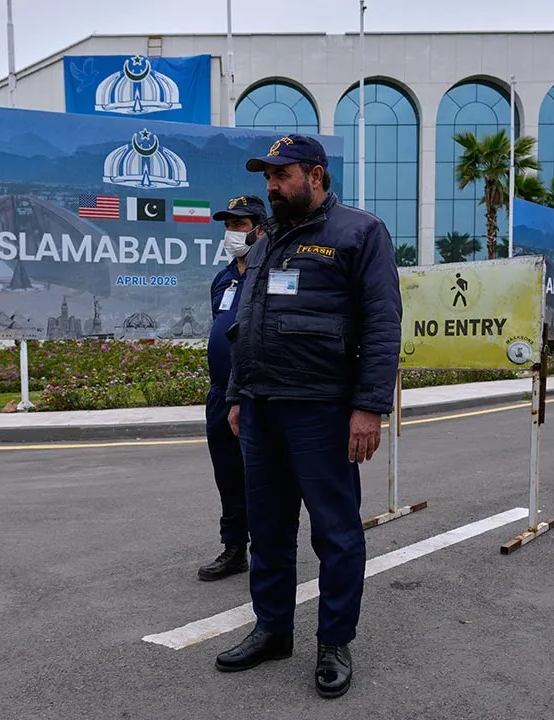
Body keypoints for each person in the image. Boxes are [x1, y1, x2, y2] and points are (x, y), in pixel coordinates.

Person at [214, 134, 401, 700]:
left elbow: (382, 324)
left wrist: (368, 407)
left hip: (321, 408)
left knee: (336, 533)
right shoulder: (267, 241)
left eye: (281, 175)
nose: (270, 186)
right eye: (267, 177)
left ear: (315, 176)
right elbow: (248, 320)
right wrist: (238, 393)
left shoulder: (359, 233)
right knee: (268, 530)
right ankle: (272, 629)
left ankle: (334, 643)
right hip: (263, 407)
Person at [197, 194, 267, 582]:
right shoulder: (222, 279)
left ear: (259, 229)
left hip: (255, 396)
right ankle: (234, 548)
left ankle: (267, 550)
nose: (232, 233)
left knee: (258, 475)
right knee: (227, 474)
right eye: (228, 225)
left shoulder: (272, 273)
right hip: (220, 393)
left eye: (240, 225)